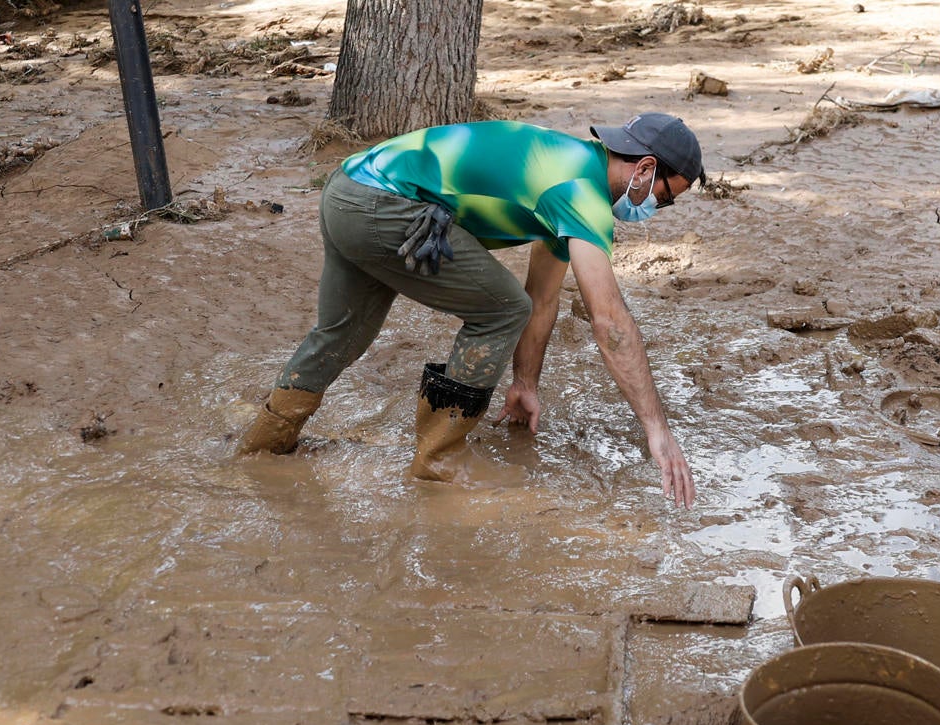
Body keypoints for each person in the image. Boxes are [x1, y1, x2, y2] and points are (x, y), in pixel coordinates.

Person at [236, 112, 705, 508]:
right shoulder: (580, 192)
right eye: (664, 198)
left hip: (346, 191)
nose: (656, 210)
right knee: (500, 309)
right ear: (644, 169)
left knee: (342, 333)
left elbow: (544, 297)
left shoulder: (570, 166)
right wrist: (657, 429)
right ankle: (440, 458)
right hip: (381, 204)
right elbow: (610, 323)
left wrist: (525, 383)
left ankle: (264, 443)